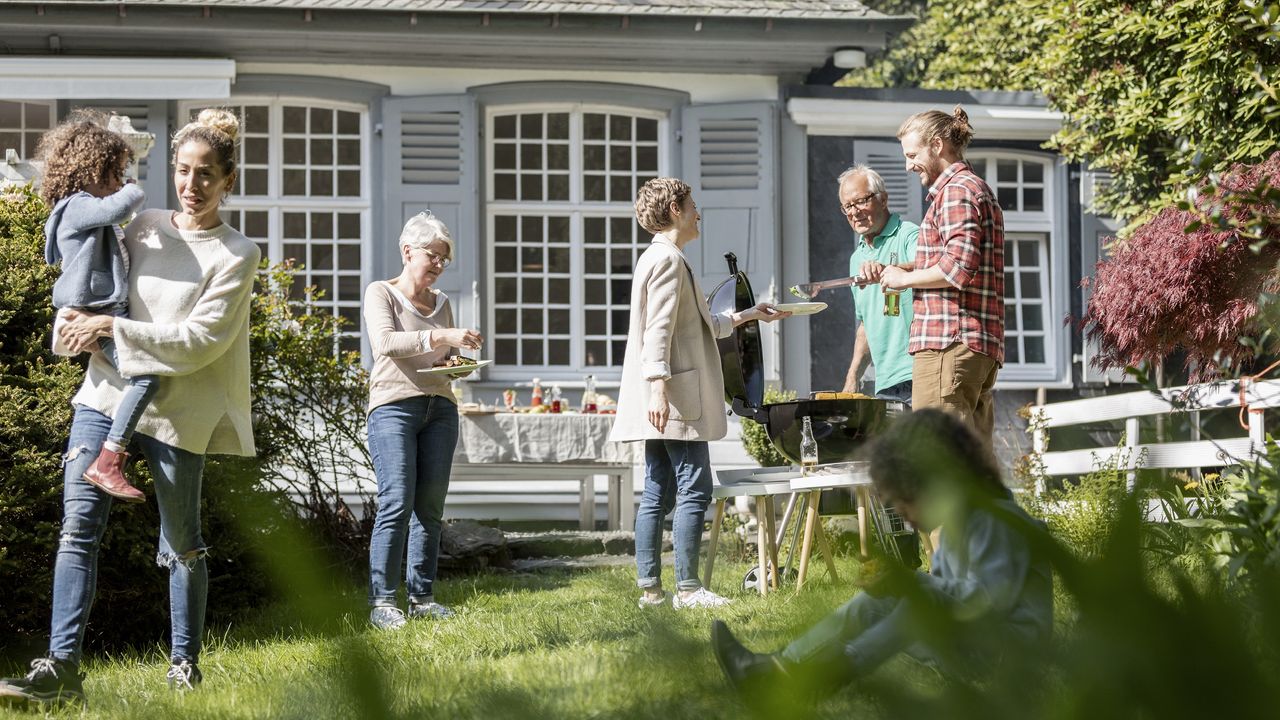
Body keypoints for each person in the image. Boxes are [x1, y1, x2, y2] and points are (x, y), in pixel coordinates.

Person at [0, 108, 259, 707]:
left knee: (181, 543)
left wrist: (109, 329)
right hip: (104, 395)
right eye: (183, 172)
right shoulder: (139, 224)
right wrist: (70, 329)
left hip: (179, 410)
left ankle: (183, 665)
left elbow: (200, 340)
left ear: (228, 180)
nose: (191, 187)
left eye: (206, 176)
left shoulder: (236, 254)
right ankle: (61, 669)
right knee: (76, 532)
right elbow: (90, 284)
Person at [711, 409, 1053, 705]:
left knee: (917, 599)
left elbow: (986, 603)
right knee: (887, 599)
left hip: (1008, 655)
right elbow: (948, 591)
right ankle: (778, 667)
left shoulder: (993, 520)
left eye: (904, 499)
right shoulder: (957, 523)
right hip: (972, 646)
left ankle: (833, 674)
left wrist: (913, 585)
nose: (905, 515)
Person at [609, 177, 788, 610]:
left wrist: (747, 316)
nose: (698, 211)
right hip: (674, 394)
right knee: (694, 488)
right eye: (692, 204)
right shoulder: (669, 261)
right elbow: (659, 332)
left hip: (669, 391)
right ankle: (688, 589)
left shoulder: (659, 257)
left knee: (657, 490)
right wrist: (657, 390)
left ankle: (651, 591)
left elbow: (700, 327)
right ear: (674, 209)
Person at [364, 211, 482, 631]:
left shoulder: (443, 304)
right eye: (433, 256)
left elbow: (441, 360)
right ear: (407, 250)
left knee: (429, 509)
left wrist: (459, 364)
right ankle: (382, 602)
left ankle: (421, 597)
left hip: (441, 409)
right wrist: (442, 337)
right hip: (393, 407)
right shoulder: (381, 293)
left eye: (444, 260)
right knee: (396, 502)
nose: (437, 265)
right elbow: (385, 344)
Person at [39, 111, 154, 503]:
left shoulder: (84, 212)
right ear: (91, 168)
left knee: (139, 378)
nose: (120, 180)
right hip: (92, 311)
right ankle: (109, 459)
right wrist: (134, 187)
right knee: (146, 377)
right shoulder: (77, 206)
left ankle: (110, 455)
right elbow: (123, 206)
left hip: (103, 311)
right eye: (115, 171)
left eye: (123, 171)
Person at [880, 106, 1005, 445]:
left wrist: (904, 281)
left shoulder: (955, 192)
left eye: (912, 154)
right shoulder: (975, 188)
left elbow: (957, 268)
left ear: (937, 145)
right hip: (973, 346)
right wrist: (899, 270)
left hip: (948, 344)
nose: (908, 165)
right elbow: (958, 260)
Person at [836, 165, 920, 404]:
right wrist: (853, 376)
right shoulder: (856, 259)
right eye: (847, 206)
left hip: (919, 373)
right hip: (885, 382)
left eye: (860, 201)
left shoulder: (908, 234)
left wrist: (890, 270)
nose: (854, 212)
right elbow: (866, 324)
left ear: (883, 199)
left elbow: (933, 267)